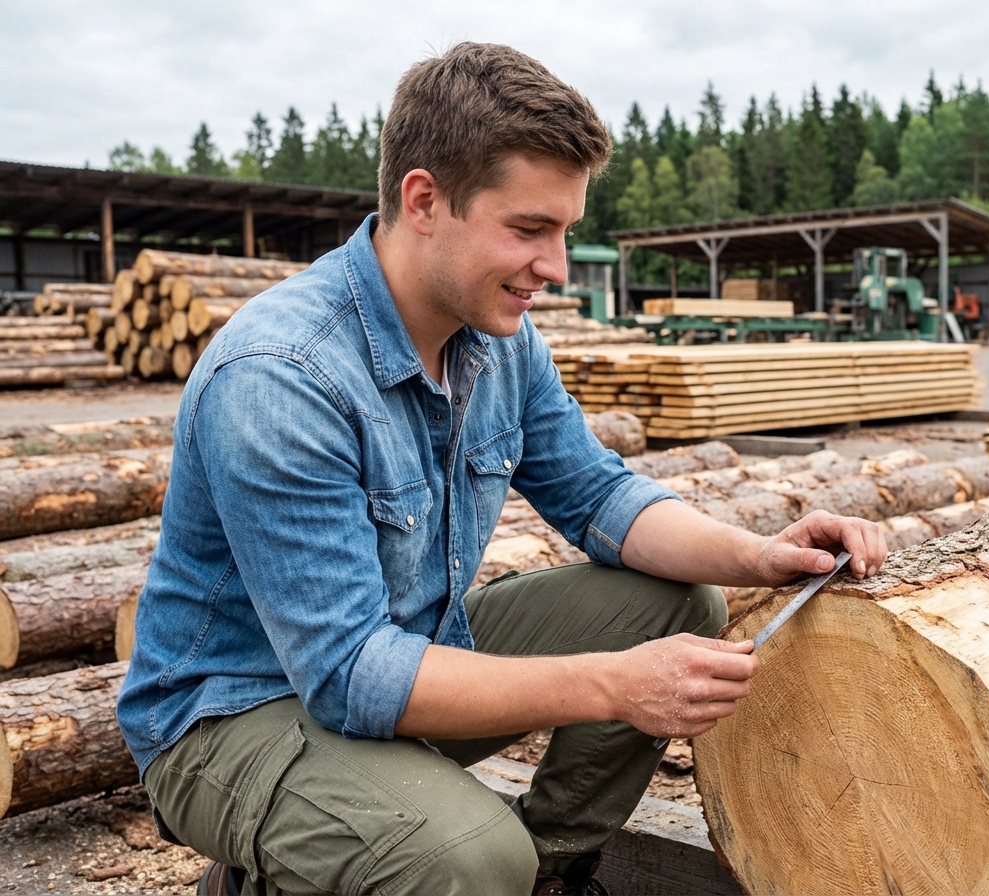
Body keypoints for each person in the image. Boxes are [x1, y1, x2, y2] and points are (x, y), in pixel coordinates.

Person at [116, 42, 887, 896]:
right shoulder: (281, 378)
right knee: (472, 859)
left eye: (564, 232)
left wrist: (758, 555)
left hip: (400, 658)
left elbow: (598, 495)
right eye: (529, 230)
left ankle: (549, 873)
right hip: (237, 717)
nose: (555, 269)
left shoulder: (496, 344)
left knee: (673, 601)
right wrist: (613, 686)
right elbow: (347, 676)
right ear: (424, 201)